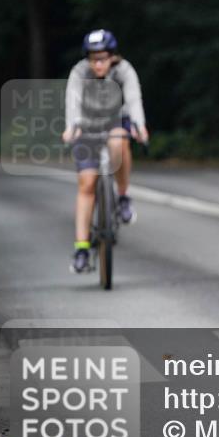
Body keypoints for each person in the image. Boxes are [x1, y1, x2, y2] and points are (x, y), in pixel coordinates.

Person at [61, 29, 149, 273]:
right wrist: (72, 127)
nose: (98, 63)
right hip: (86, 127)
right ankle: (81, 248)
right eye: (93, 58)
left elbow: (133, 98)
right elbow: (73, 100)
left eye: (102, 57)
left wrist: (140, 126)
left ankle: (122, 197)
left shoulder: (123, 71)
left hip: (114, 123)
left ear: (112, 56)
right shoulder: (80, 72)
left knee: (119, 141)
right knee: (86, 184)